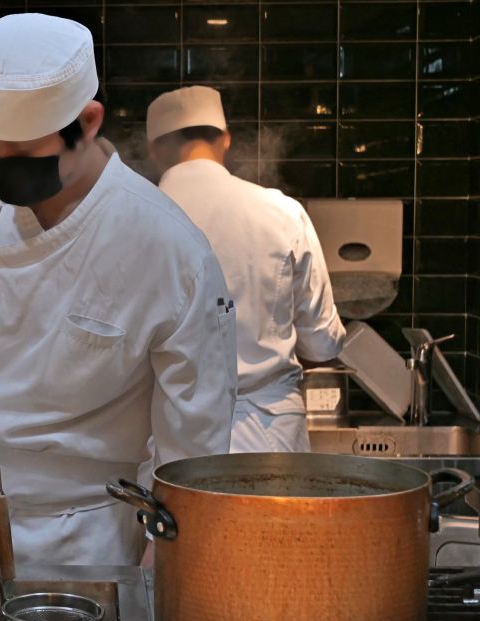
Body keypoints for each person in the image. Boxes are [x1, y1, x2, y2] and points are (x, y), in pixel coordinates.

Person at [0, 14, 237, 571]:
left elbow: (193, 446)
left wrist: (155, 577)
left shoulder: (168, 248)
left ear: (88, 122)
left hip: (88, 540)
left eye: (23, 153)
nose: (0, 170)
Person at [147, 86, 346, 453]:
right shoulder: (281, 212)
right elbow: (323, 343)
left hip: (172, 438)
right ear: (224, 140)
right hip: (271, 437)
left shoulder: (134, 221)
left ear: (155, 149)